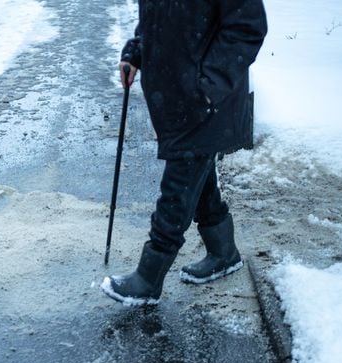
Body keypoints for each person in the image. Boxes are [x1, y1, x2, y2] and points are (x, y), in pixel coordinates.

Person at [101, 0, 268, 305]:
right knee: (196, 174)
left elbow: (247, 29)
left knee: (179, 185)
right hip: (177, 96)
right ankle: (223, 253)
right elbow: (157, 21)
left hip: (208, 103)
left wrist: (208, 86)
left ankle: (148, 279)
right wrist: (135, 52)